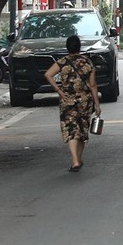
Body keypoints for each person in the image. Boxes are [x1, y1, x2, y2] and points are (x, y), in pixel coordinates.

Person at [44, 34, 100, 172]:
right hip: (84, 101)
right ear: (79, 47)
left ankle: (76, 160)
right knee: (82, 130)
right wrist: (97, 104)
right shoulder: (87, 62)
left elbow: (48, 74)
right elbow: (92, 84)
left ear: (67, 47)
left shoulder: (62, 62)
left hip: (67, 100)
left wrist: (59, 90)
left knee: (71, 129)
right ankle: (77, 159)